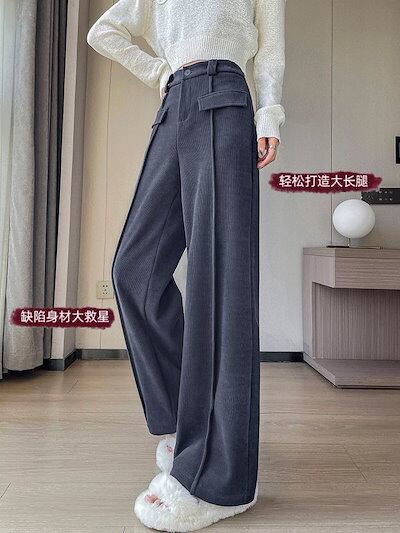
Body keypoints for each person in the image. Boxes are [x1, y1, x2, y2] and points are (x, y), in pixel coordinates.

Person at [87, 0, 286, 530]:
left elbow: (270, 51)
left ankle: (221, 481)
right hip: (174, 101)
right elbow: (104, 31)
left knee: (221, 284)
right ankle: (190, 423)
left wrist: (269, 113)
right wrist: (158, 72)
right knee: (134, 270)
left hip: (227, 95)